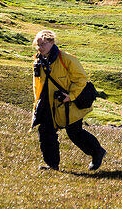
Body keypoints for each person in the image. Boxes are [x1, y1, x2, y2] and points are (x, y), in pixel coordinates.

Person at [31, 30, 105, 171]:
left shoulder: (66, 59)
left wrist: (71, 96)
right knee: (45, 132)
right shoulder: (37, 61)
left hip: (69, 103)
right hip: (47, 104)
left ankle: (97, 152)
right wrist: (37, 104)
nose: (40, 47)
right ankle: (52, 165)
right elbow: (37, 85)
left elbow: (81, 79)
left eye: (43, 44)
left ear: (52, 42)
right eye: (38, 45)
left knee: (75, 133)